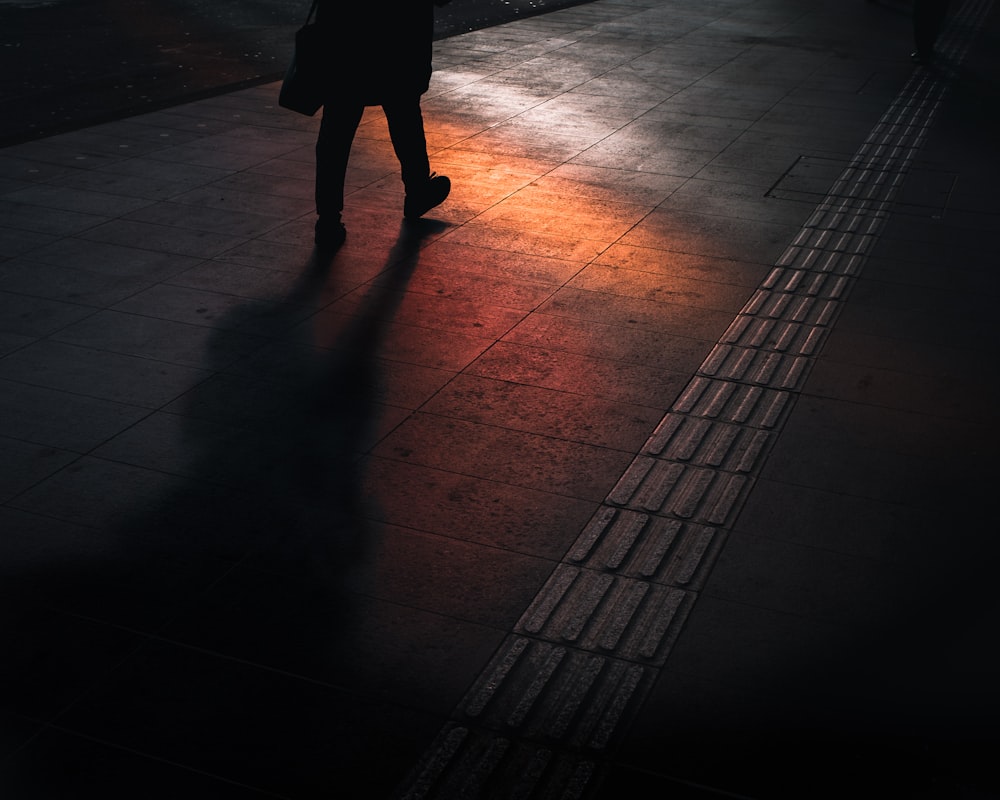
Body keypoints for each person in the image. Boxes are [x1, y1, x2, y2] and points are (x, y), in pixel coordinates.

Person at [313, 0, 452, 251]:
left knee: (336, 132)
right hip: (399, 45)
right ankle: (417, 190)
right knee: (405, 118)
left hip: (346, 45)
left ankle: (328, 218)